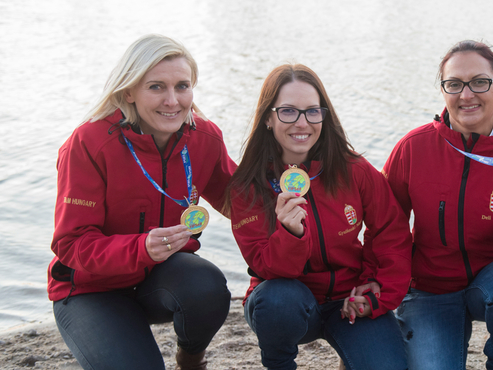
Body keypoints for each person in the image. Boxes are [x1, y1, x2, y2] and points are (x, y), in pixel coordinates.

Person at [47, 34, 236, 370]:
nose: (172, 100)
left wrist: (302, 173)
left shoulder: (205, 137)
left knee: (207, 286)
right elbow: (70, 244)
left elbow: (243, 204)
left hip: (160, 280)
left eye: (182, 86)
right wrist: (141, 249)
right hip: (91, 290)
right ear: (128, 92)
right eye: (156, 87)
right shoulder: (88, 143)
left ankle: (190, 359)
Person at [375, 40, 493, 370]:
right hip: (429, 290)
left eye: (479, 82)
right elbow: (387, 230)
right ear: (443, 91)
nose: (467, 95)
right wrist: (386, 290)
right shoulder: (412, 149)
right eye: (454, 84)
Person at [227, 64, 411, 370]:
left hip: (346, 299)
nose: (302, 123)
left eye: (313, 111)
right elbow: (265, 266)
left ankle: (348, 352)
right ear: (268, 119)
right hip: (287, 302)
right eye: (288, 111)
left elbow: (391, 233)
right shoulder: (248, 186)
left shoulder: (354, 169)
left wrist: (374, 287)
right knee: (277, 299)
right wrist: (290, 233)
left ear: (325, 116)